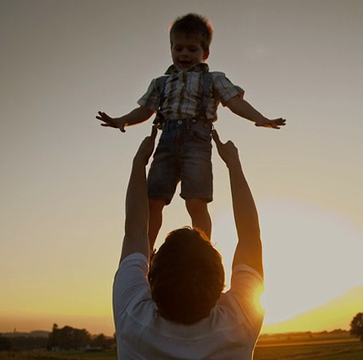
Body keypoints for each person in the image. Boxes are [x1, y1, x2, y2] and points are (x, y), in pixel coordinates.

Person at [97, 13, 285, 249]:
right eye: (179, 48)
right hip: (166, 141)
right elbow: (145, 111)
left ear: (204, 53)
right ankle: (145, 253)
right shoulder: (161, 83)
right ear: (171, 49)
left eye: (192, 49)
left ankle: (201, 251)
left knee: (196, 202)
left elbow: (235, 102)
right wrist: (121, 120)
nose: (184, 54)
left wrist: (260, 118)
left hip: (197, 141)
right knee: (153, 201)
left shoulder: (214, 79)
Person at [113, 127, 265, 359]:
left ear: (151, 276)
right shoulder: (240, 322)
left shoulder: (132, 316)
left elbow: (134, 231)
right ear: (220, 282)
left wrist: (138, 164)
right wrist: (233, 163)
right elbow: (250, 238)